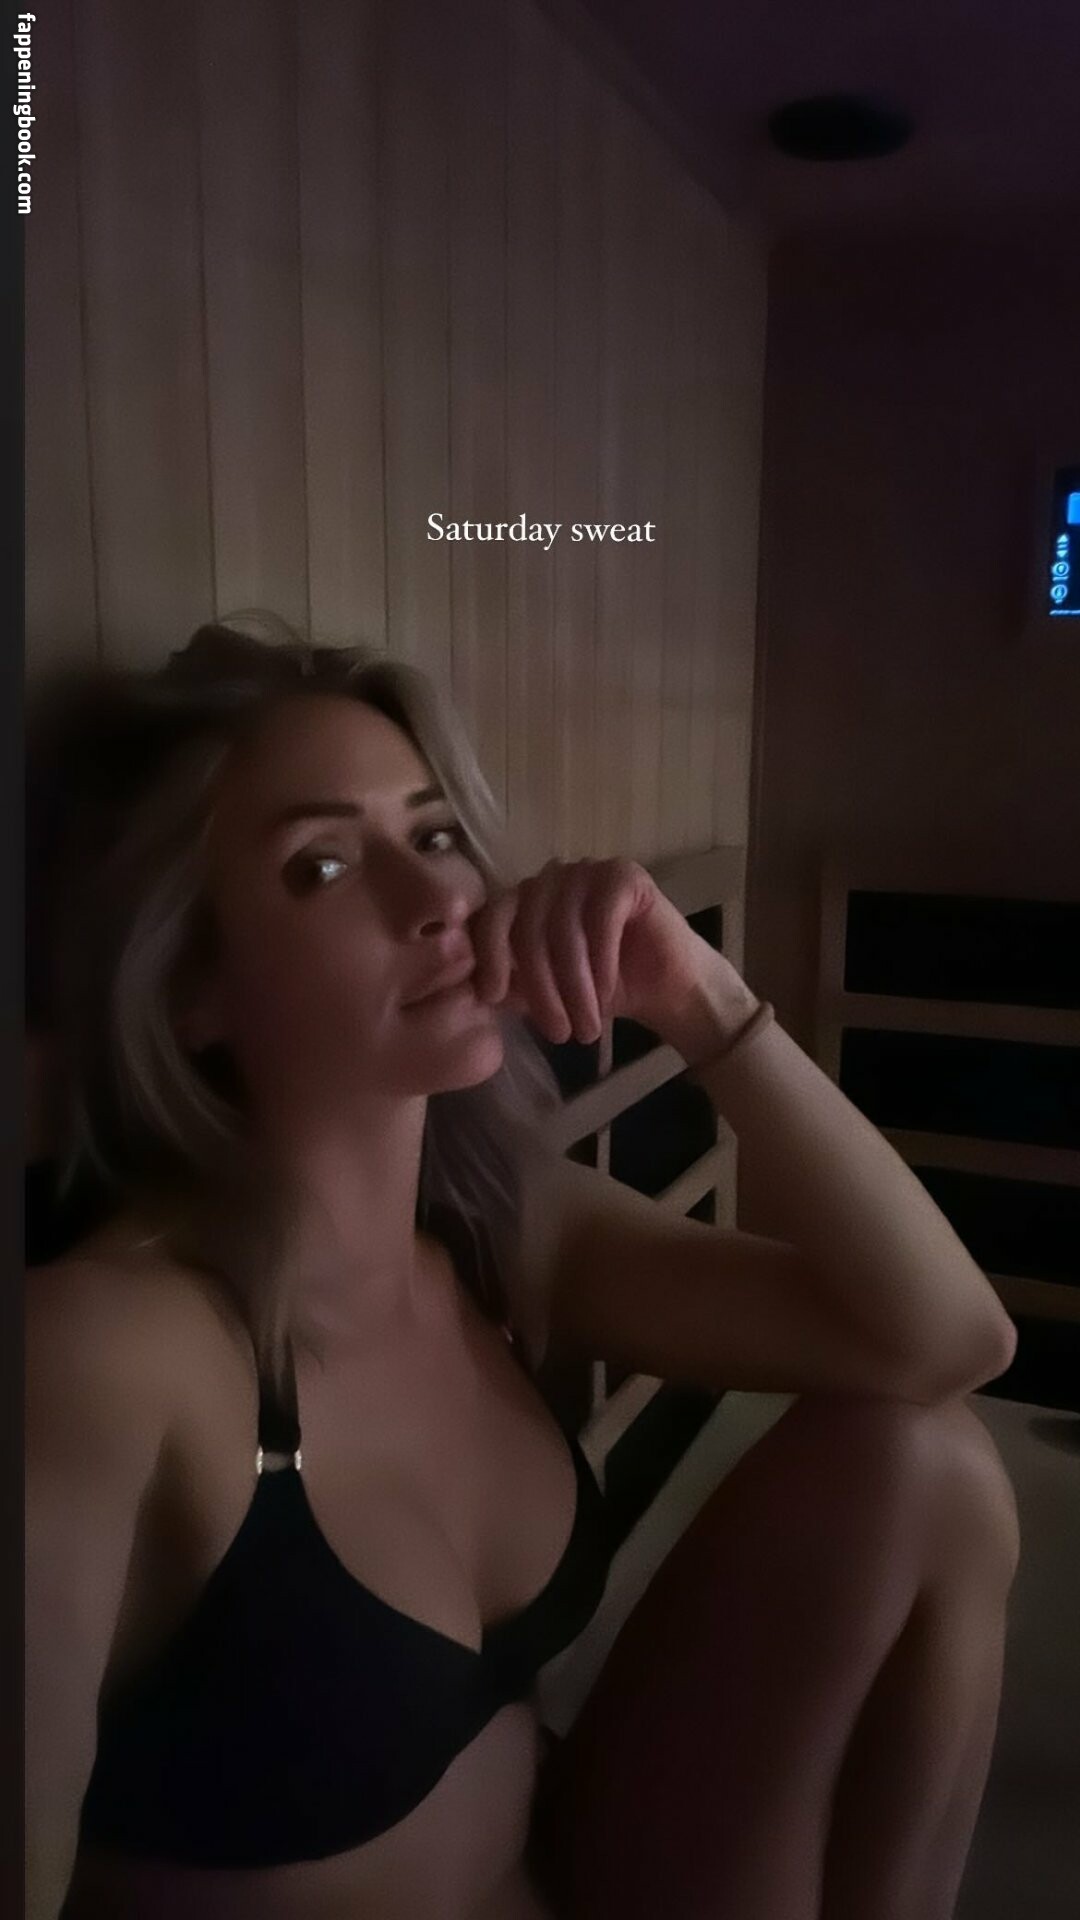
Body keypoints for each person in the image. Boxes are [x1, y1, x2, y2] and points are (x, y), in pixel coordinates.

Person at [26, 619, 1020, 1920]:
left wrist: (700, 999)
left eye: (437, 835)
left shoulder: (500, 1226)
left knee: (928, 1465)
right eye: (323, 865)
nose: (436, 899)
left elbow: (946, 1341)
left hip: (563, 1872)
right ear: (189, 988)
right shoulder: (109, 1354)